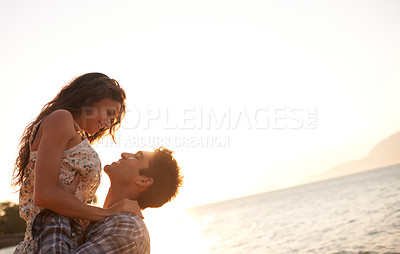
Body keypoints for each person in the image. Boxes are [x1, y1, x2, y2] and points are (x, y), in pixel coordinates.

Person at [12, 73, 141, 253]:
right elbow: (44, 195)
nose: (107, 123)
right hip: (48, 239)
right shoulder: (61, 119)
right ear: (91, 98)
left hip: (65, 238)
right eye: (108, 113)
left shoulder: (76, 134)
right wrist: (108, 212)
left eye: (112, 120)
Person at [31, 147, 183, 254]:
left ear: (143, 181)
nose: (124, 154)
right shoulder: (101, 221)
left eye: (137, 157)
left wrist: (57, 206)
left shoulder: (128, 228)